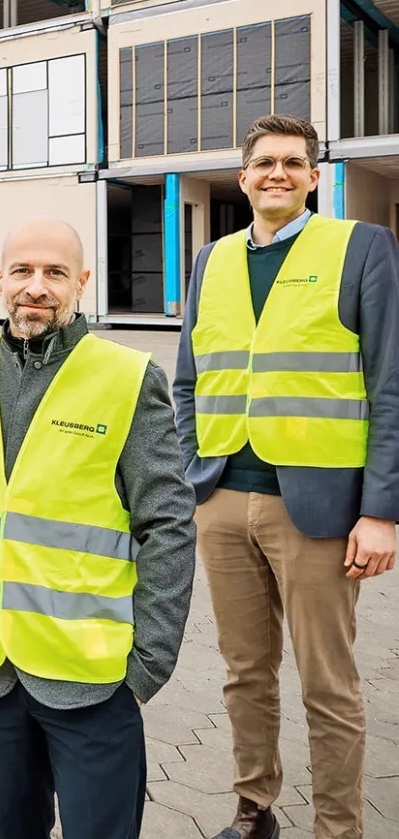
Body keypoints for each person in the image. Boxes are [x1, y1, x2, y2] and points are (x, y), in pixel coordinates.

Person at [0, 216, 196, 839]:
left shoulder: (127, 377)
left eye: (54, 273)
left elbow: (168, 522)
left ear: (81, 283)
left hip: (92, 679)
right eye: (22, 271)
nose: (36, 286)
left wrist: (147, 665)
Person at [174, 114, 399, 839]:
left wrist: (382, 512)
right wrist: (189, 473)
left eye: (293, 163)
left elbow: (390, 384)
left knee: (328, 685)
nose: (278, 173)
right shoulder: (210, 262)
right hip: (220, 500)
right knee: (245, 672)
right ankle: (254, 807)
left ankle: (338, 828)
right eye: (264, 162)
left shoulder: (361, 248)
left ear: (313, 178)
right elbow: (186, 381)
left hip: (320, 509)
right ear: (243, 180)